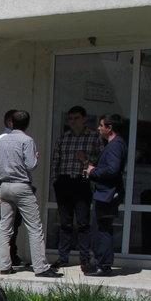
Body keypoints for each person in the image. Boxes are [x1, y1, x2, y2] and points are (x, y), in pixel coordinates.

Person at [0, 110, 60, 278]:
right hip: (21, 186)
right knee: (34, 227)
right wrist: (35, 157)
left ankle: (4, 265)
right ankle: (40, 267)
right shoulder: (27, 140)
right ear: (27, 124)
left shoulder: (1, 141)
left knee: (5, 227)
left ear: (11, 123)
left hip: (4, 186)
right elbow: (31, 165)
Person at [50, 105, 100, 268]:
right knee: (65, 222)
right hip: (64, 182)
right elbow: (55, 162)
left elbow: (99, 162)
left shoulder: (94, 137)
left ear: (84, 119)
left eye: (76, 118)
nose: (73, 121)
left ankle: (84, 258)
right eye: (70, 119)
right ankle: (63, 257)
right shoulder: (63, 138)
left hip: (82, 182)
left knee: (83, 222)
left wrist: (85, 160)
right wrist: (55, 181)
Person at [84, 114, 127, 276]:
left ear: (110, 128)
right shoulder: (114, 144)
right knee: (100, 228)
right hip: (104, 193)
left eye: (101, 125)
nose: (99, 128)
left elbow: (112, 169)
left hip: (107, 194)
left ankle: (103, 264)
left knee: (102, 229)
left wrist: (93, 171)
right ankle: (101, 263)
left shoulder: (116, 145)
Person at [0, 110, 23, 268]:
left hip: (13, 185)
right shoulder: (3, 139)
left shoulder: (14, 139)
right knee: (3, 221)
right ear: (10, 123)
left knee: (14, 222)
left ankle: (11, 253)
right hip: (6, 184)